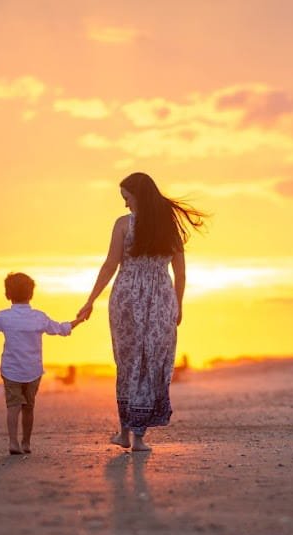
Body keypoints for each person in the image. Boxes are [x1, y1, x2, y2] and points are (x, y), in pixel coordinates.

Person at [76, 172, 206, 452]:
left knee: (129, 363)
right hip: (161, 298)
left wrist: (91, 299)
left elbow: (110, 265)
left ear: (139, 196)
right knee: (150, 362)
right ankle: (136, 436)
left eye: (127, 198)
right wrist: (177, 304)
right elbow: (180, 273)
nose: (125, 205)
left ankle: (128, 432)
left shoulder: (124, 225)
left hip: (127, 297)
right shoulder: (169, 228)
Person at [0, 272, 86, 454]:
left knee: (13, 407)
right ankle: (26, 443)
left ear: (7, 294)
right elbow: (60, 329)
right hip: (33, 370)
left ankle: (13, 442)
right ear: (31, 294)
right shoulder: (39, 317)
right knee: (29, 408)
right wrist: (78, 321)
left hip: (11, 370)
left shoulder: (3, 316)